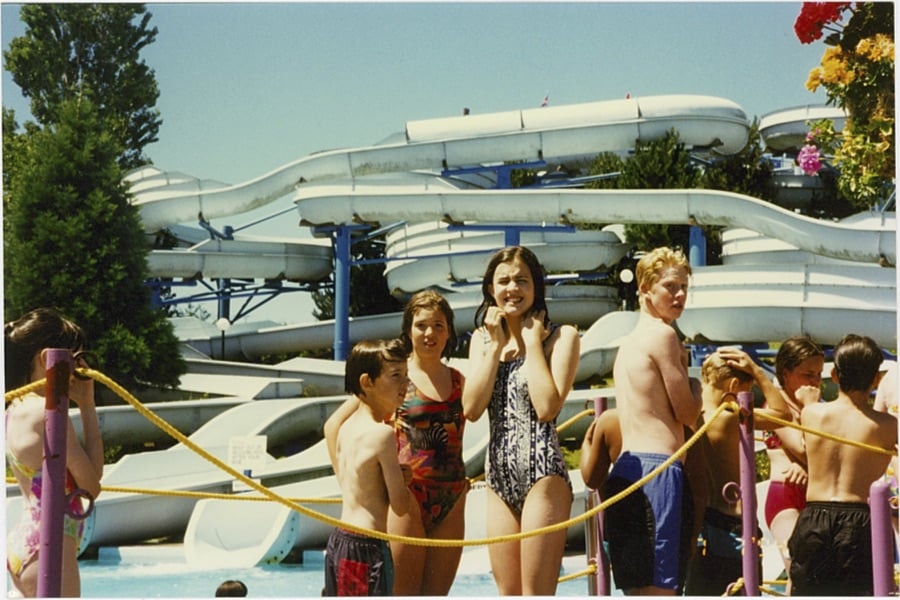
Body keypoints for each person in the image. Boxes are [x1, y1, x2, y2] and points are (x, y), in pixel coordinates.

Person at [324, 290, 468, 595]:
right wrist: (350, 485)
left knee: (436, 595)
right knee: (402, 593)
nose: (430, 333)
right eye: (421, 325)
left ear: (449, 331)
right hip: (406, 498)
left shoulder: (459, 380)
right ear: (408, 330)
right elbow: (333, 424)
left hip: (451, 498)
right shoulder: (394, 376)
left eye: (439, 325)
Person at [462, 245, 580, 595]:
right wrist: (496, 348)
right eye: (504, 281)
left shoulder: (561, 337)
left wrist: (531, 344)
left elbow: (547, 407)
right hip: (498, 478)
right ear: (491, 289)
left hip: (543, 474)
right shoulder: (482, 341)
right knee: (508, 594)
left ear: (536, 288)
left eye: (522, 281)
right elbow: (471, 408)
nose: (512, 288)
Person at [603, 246, 703, 595]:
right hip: (658, 473)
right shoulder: (664, 336)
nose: (680, 296)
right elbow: (688, 413)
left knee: (638, 588)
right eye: (670, 287)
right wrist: (697, 384)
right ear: (645, 289)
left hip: (627, 472)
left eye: (684, 288)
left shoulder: (627, 343)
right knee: (661, 589)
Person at [5, 308, 104, 598]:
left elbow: (87, 480)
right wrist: (87, 405)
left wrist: (84, 403)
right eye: (73, 358)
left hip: (26, 543)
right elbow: (91, 487)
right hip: (50, 546)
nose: (78, 368)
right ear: (46, 358)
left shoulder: (14, 409)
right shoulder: (48, 413)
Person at [788, 333, 897, 596]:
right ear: (875, 379)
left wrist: (807, 402)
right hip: (859, 520)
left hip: (814, 516)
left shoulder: (812, 414)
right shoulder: (887, 426)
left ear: (834, 375)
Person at [684, 347, 792, 595]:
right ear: (734, 384)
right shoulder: (730, 417)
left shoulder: (692, 415)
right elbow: (781, 415)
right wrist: (757, 371)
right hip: (734, 523)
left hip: (704, 519)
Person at [324, 338, 412, 596]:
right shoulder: (382, 435)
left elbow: (330, 424)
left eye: (406, 375)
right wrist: (402, 480)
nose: (405, 384)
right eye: (396, 376)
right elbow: (400, 505)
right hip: (367, 546)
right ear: (367, 382)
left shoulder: (344, 428)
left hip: (340, 541)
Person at [762, 335, 824, 589]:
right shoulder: (777, 407)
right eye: (808, 374)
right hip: (785, 495)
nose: (815, 382)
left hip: (813, 496)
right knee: (800, 571)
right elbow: (802, 447)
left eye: (820, 375)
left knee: (810, 576)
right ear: (786, 373)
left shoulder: (811, 405)